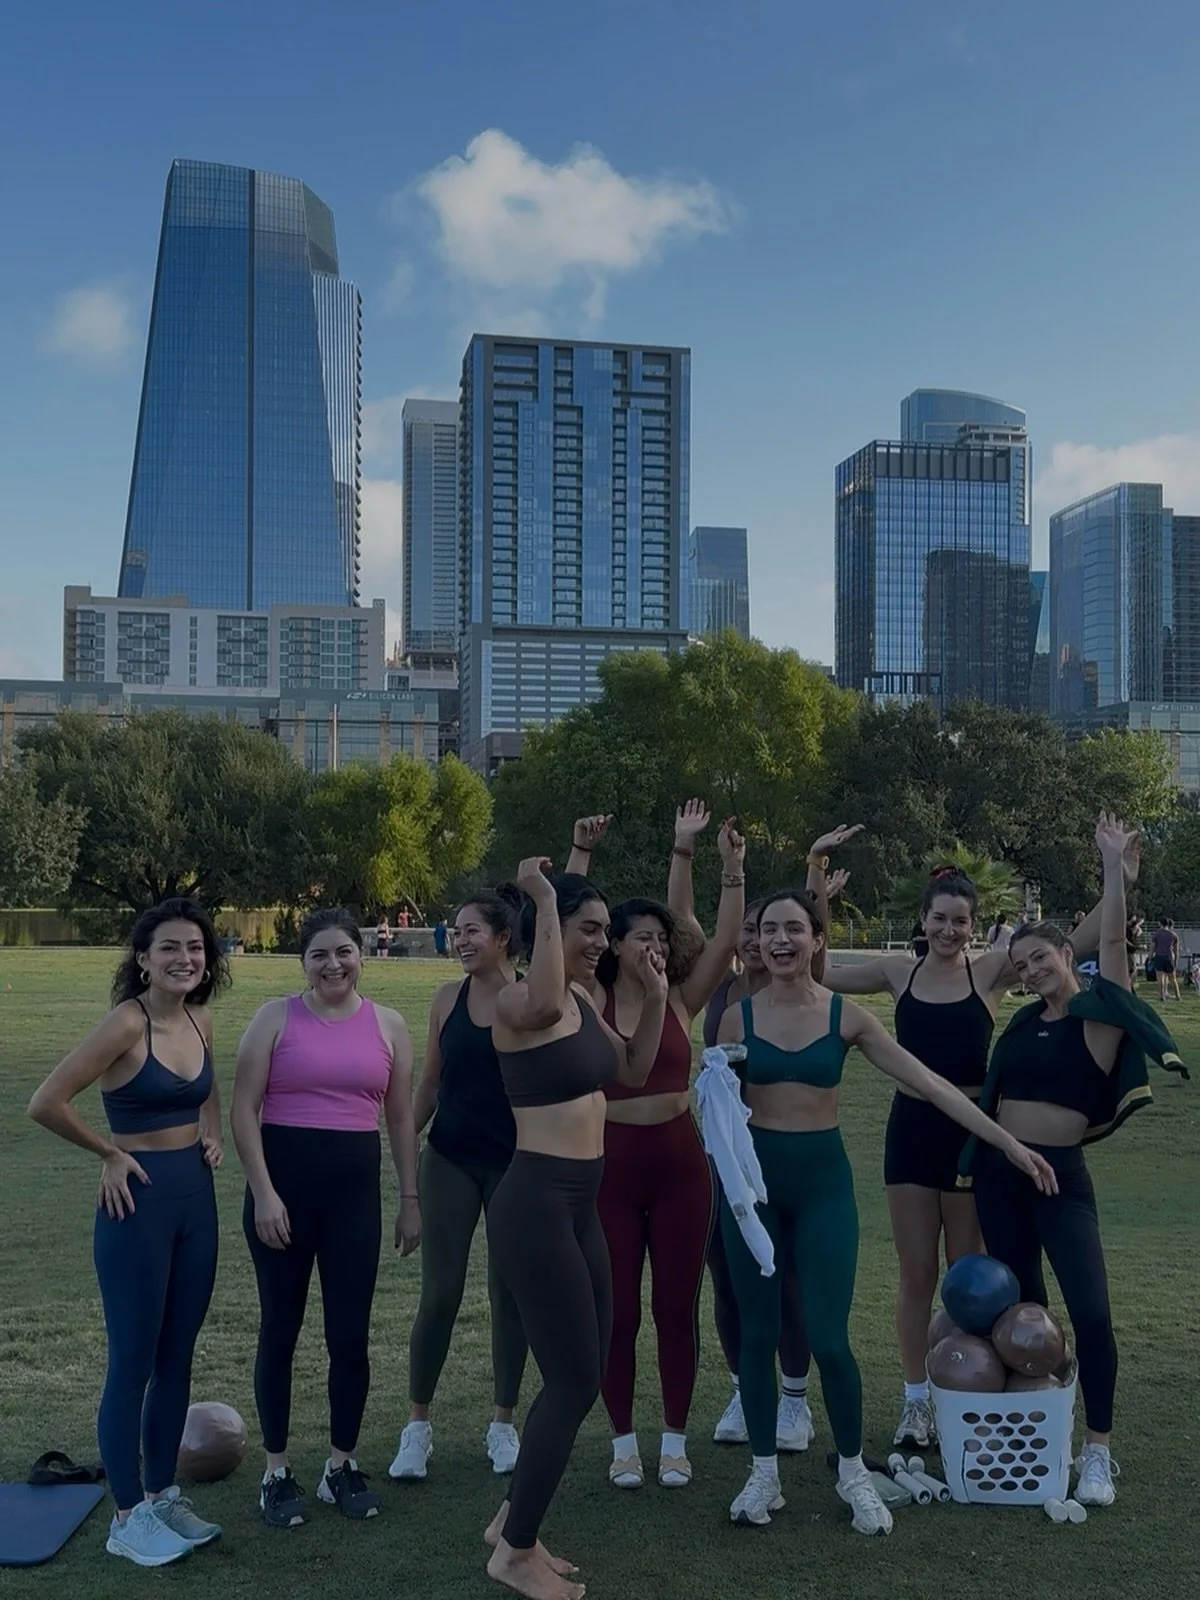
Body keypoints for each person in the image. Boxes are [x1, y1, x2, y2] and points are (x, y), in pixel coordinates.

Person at [714, 888, 1058, 1534]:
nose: (780, 940)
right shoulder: (738, 1019)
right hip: (753, 1197)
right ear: (756, 941)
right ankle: (763, 1474)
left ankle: (853, 1473)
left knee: (828, 1339)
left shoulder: (845, 1016)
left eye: (794, 929)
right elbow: (718, 1109)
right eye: (769, 930)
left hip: (823, 1191)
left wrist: (1009, 1144)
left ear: (817, 940)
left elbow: (930, 1084)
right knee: (758, 1337)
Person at [810, 836, 1111, 1451]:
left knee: (967, 1275)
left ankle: (968, 1392)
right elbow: (817, 975)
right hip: (911, 1131)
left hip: (974, 1134)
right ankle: (916, 1401)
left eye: (961, 921)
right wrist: (816, 882)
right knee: (916, 1272)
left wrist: (1116, 878)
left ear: (974, 925)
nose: (949, 930)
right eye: (940, 919)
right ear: (923, 919)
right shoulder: (898, 971)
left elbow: (1072, 944)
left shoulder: (993, 967)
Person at [483, 860, 668, 1600]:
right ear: (550, 931)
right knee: (570, 1381)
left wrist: (656, 996)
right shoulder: (516, 1001)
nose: (602, 942)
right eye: (588, 929)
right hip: (534, 1204)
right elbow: (541, 998)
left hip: (580, 1205)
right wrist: (542, 894)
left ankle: (511, 1521)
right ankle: (515, 1553)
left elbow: (634, 1069)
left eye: (603, 930)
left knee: (582, 1374)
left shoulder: (587, 1001)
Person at [27, 899, 229, 1568]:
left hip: (195, 1202)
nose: (184, 958)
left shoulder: (199, 1017)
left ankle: (163, 1494)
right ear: (143, 958)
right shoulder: (125, 1023)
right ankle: (126, 1516)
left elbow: (206, 1087)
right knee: (133, 1363)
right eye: (169, 947)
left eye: (195, 947)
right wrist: (109, 1153)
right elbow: (46, 1101)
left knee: (177, 1358)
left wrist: (211, 1131)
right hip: (136, 1206)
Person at [968, 815, 1141, 1508]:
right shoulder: (1020, 1022)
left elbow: (1115, 951)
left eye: (1041, 958)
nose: (1032, 970)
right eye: (1022, 965)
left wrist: (1112, 870)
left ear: (1068, 955)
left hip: (1059, 1179)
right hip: (999, 1175)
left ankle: (1097, 1452)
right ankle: (1035, 1434)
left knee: (1091, 1316)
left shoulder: (1096, 1019)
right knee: (1022, 1314)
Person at [231, 908, 419, 1529]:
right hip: (282, 1199)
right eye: (319, 954)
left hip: (353, 1203)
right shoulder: (274, 1018)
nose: (333, 965)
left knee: (349, 1337)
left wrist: (410, 1199)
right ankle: (276, 1472)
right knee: (279, 1330)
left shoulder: (389, 1026)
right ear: (303, 963)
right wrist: (264, 1193)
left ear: (361, 955)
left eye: (343, 952)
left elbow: (400, 1118)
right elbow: (243, 1110)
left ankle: (341, 1465)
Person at [579, 808, 745, 1492]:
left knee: (675, 1310)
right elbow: (560, 940)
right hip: (610, 1170)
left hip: (680, 1166)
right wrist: (580, 858)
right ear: (614, 945)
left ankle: (674, 1440)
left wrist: (728, 865)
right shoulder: (587, 997)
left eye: (660, 937)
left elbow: (726, 937)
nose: (653, 946)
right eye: (640, 937)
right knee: (616, 1312)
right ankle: (623, 1442)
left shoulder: (680, 997)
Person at [390, 888, 529, 1482]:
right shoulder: (447, 998)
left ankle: (503, 1424)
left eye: (472, 930)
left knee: (510, 1294)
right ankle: (417, 1428)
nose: (460, 940)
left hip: (515, 1165)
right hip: (448, 1159)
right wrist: (402, 1157)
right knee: (440, 1295)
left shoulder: (531, 997)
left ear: (503, 937)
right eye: (456, 930)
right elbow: (430, 1084)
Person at [1150, 917, 1181, 1001]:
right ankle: (1178, 996)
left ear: (1160, 923)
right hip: (1169, 957)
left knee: (1160, 978)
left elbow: (1152, 947)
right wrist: (1176, 960)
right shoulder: (1173, 935)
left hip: (1159, 957)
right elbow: (1176, 950)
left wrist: (1150, 957)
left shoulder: (1156, 934)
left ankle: (1162, 996)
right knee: (1173, 978)